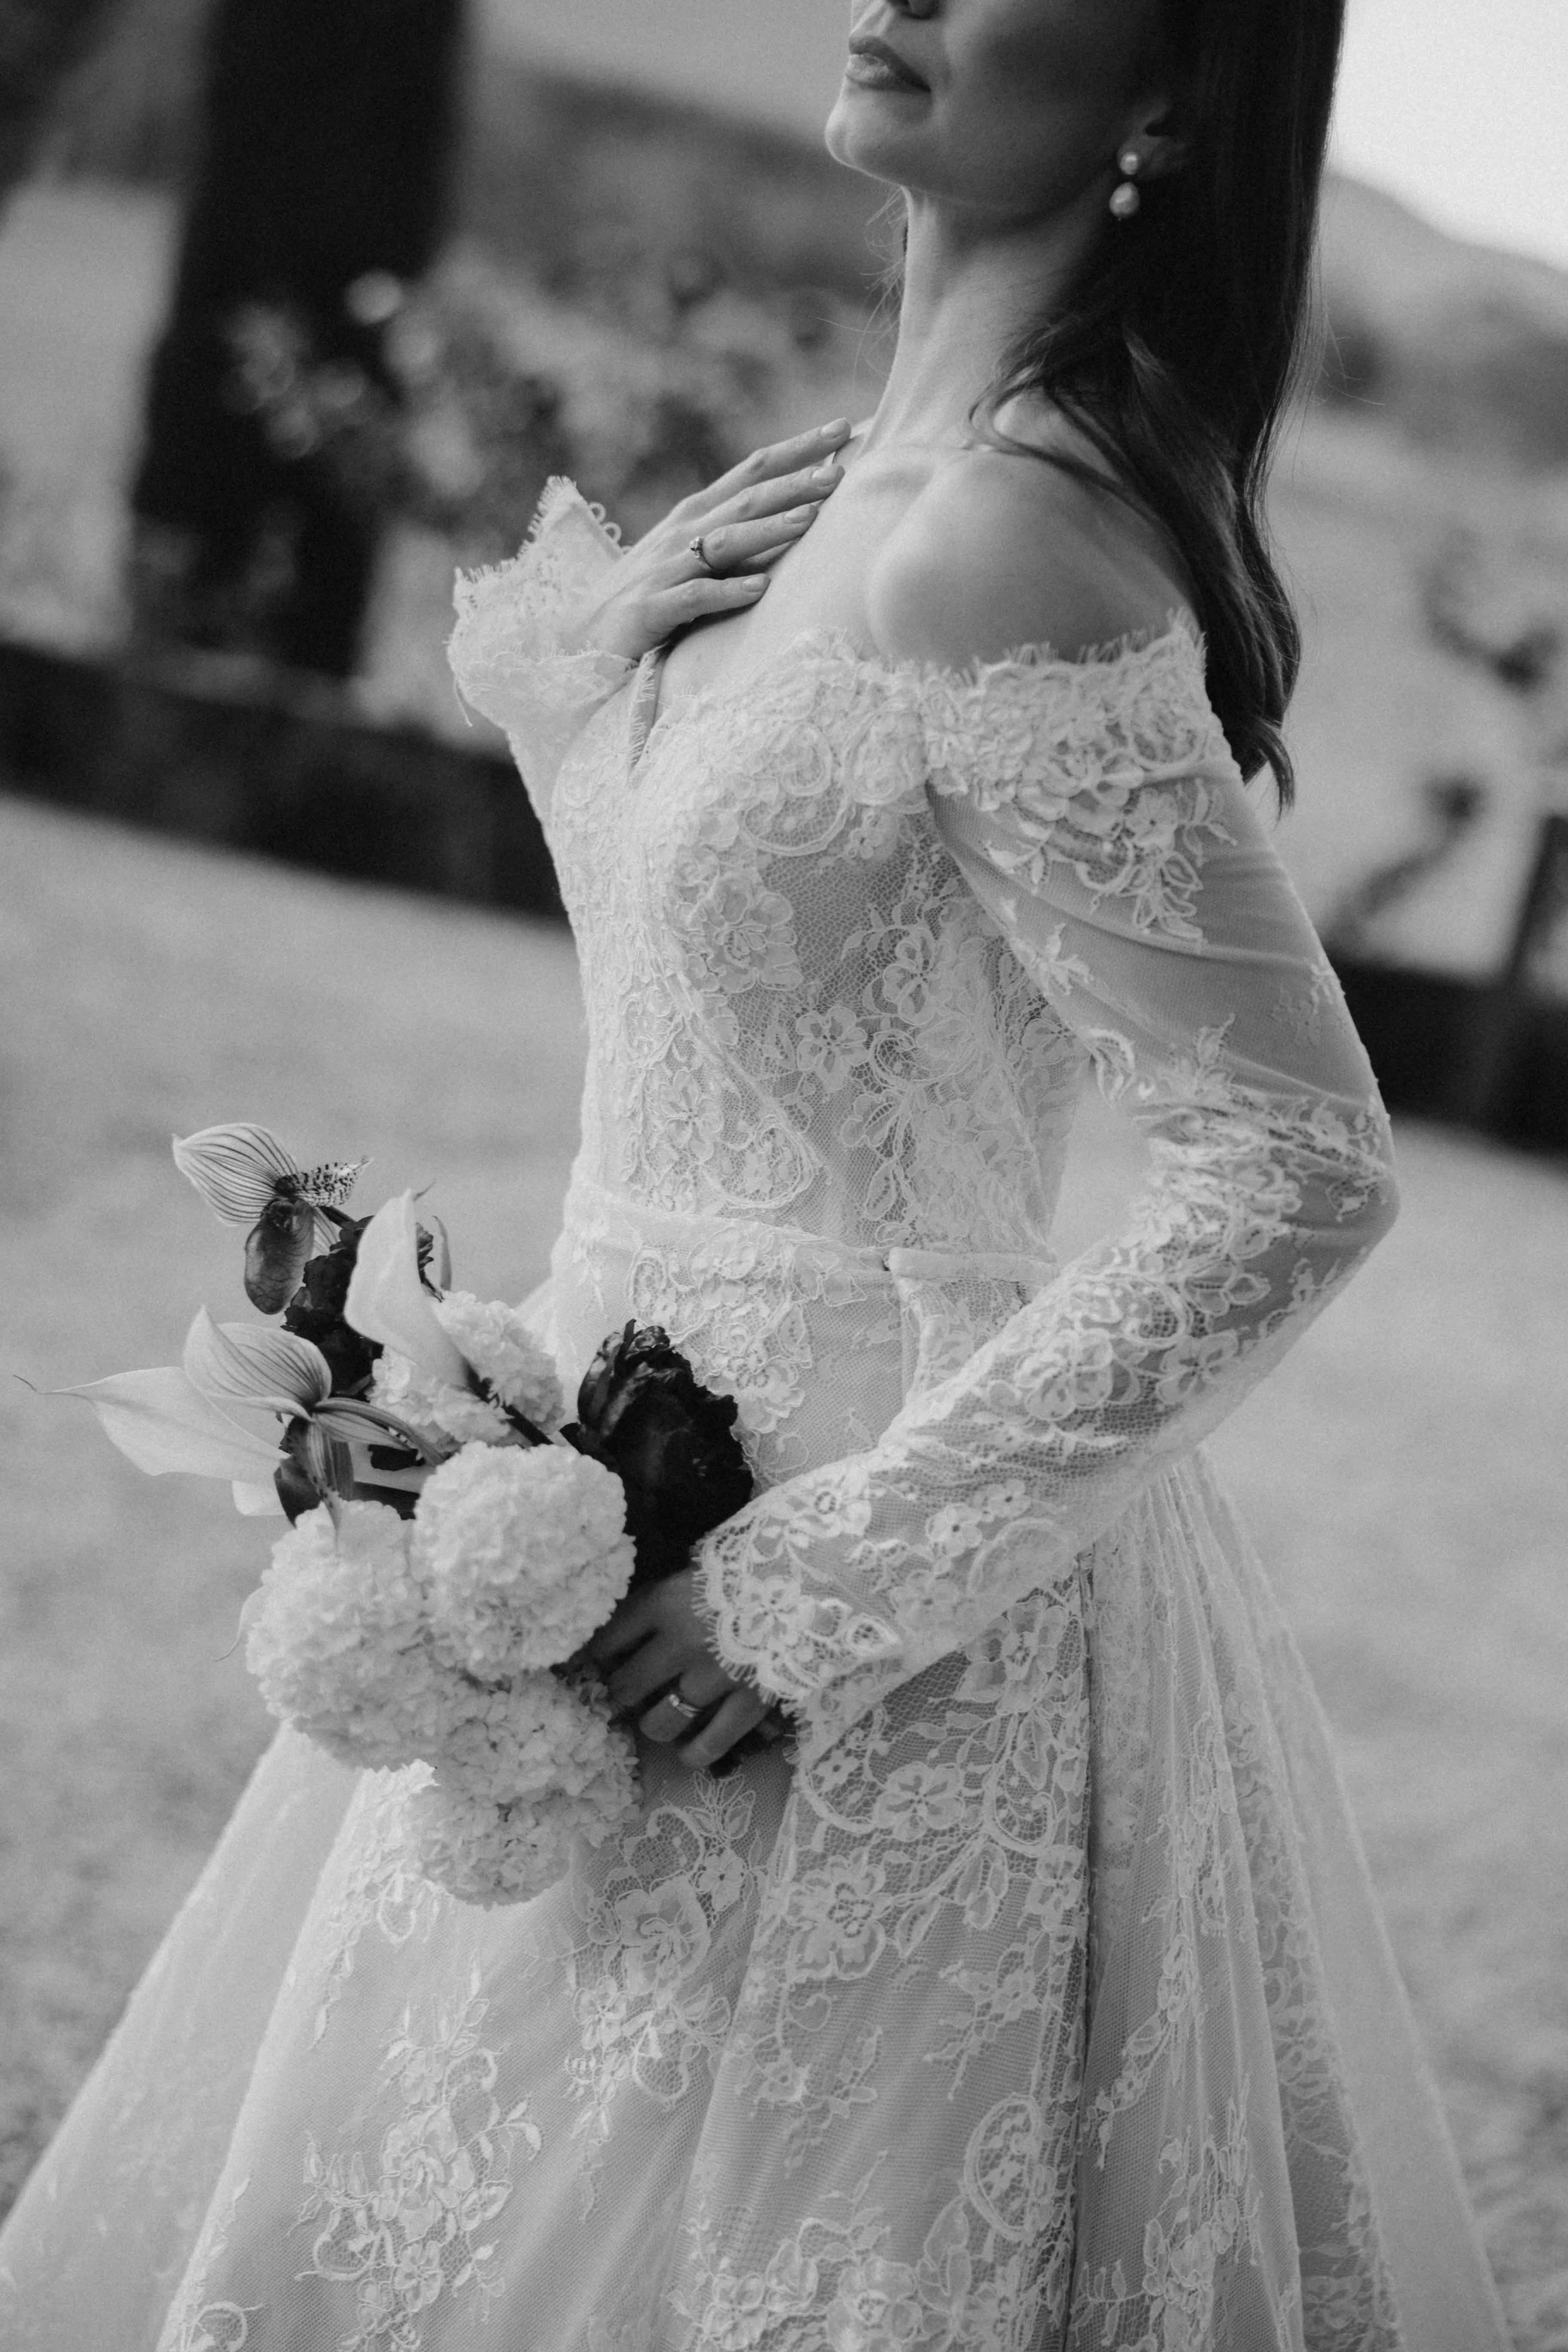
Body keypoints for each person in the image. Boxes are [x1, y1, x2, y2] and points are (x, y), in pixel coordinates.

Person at [0, 2, 1513, 2344]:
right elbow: (732, 985)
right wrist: (581, 695)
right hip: (591, 1472)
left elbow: (1293, 1163)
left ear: (1167, 103)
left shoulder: (1010, 538)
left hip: (831, 1591)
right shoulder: (852, 493)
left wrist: (828, 1578)